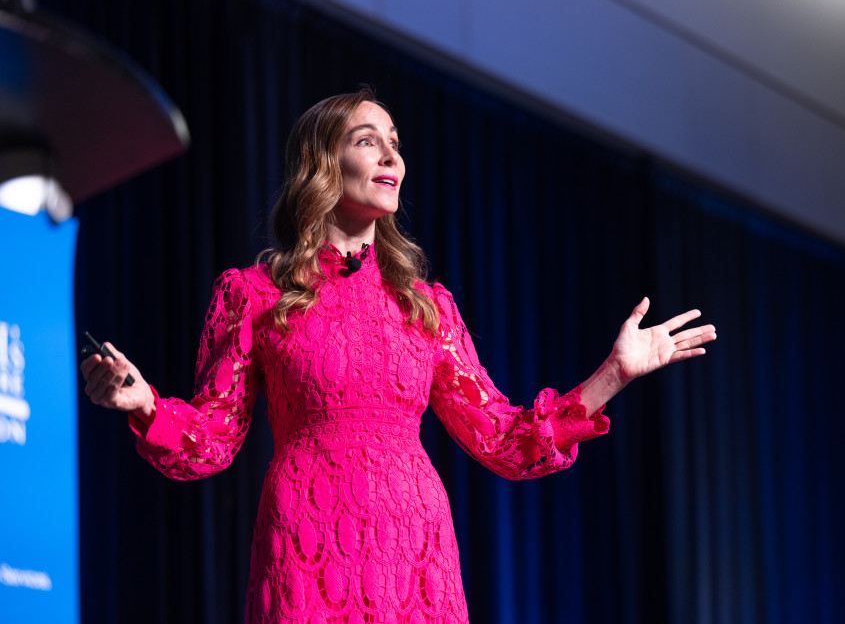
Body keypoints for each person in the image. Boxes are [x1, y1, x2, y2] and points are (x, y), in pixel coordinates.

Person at [81, 89, 716, 623]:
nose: (392, 157)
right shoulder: (255, 295)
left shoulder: (426, 308)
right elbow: (213, 437)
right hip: (306, 539)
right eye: (367, 140)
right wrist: (144, 404)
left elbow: (506, 441)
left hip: (413, 550)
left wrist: (614, 374)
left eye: (396, 142)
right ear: (322, 164)